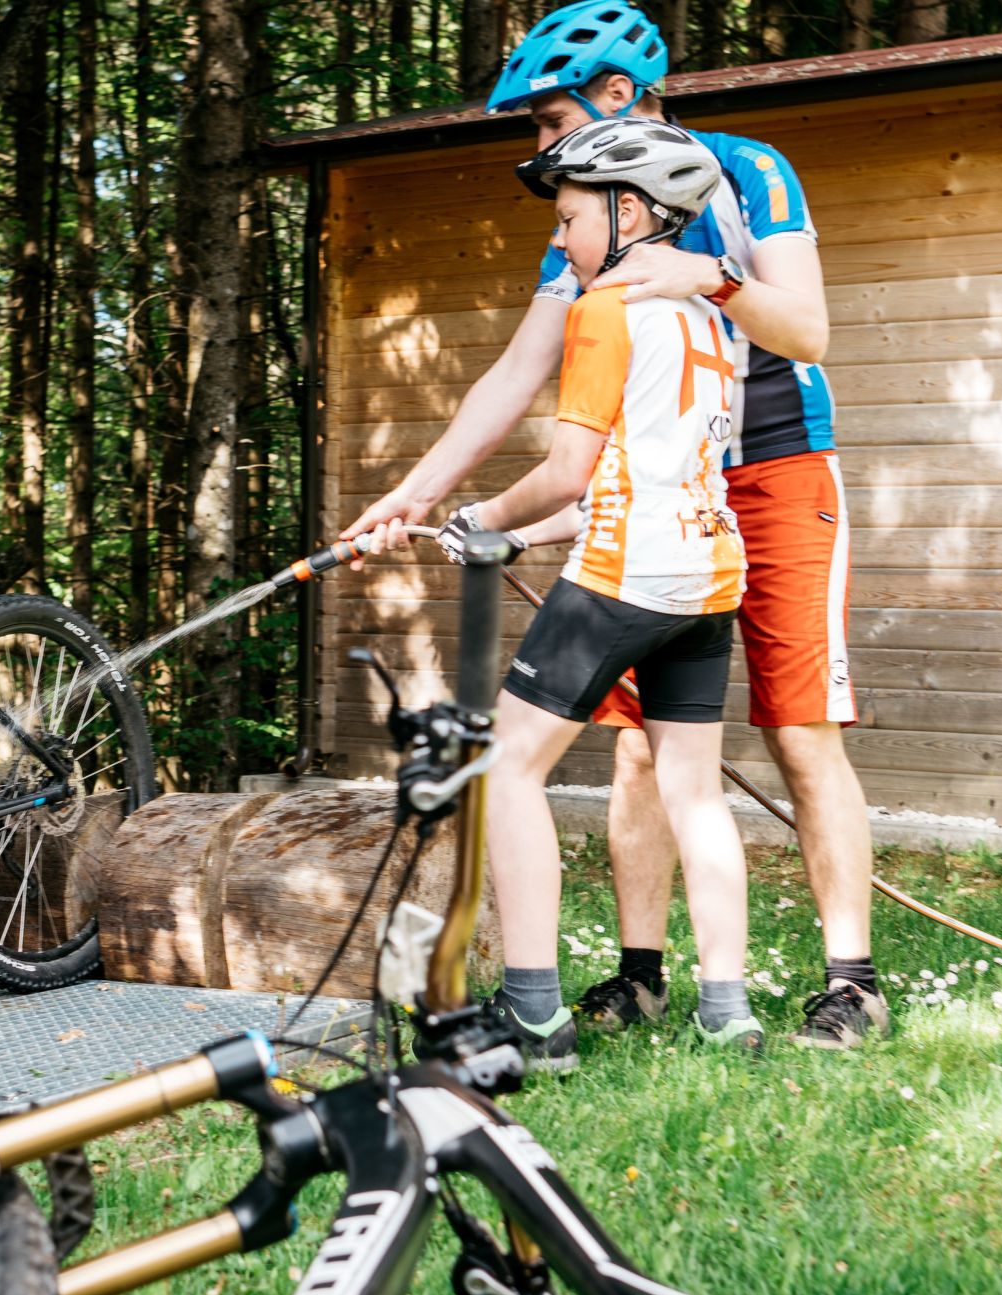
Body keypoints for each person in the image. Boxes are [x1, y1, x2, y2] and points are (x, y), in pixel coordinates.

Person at [344, 0, 888, 1052]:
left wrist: (709, 278)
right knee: (644, 747)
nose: (539, 151)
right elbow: (515, 373)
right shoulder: (583, 229)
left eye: (547, 121)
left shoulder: (750, 170)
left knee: (796, 731)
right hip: (654, 489)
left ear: (615, 97)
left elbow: (809, 329)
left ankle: (849, 984)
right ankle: (641, 977)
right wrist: (414, 494)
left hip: (774, 466)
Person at [373, 116, 758, 1070]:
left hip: (622, 579)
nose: (560, 238)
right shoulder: (711, 320)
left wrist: (484, 511)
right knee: (696, 795)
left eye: (572, 217)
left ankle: (536, 1018)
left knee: (506, 768)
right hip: (706, 580)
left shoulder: (603, 311)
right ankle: (728, 1012)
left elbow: (569, 474)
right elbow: (653, 478)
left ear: (632, 212)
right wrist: (510, 531)